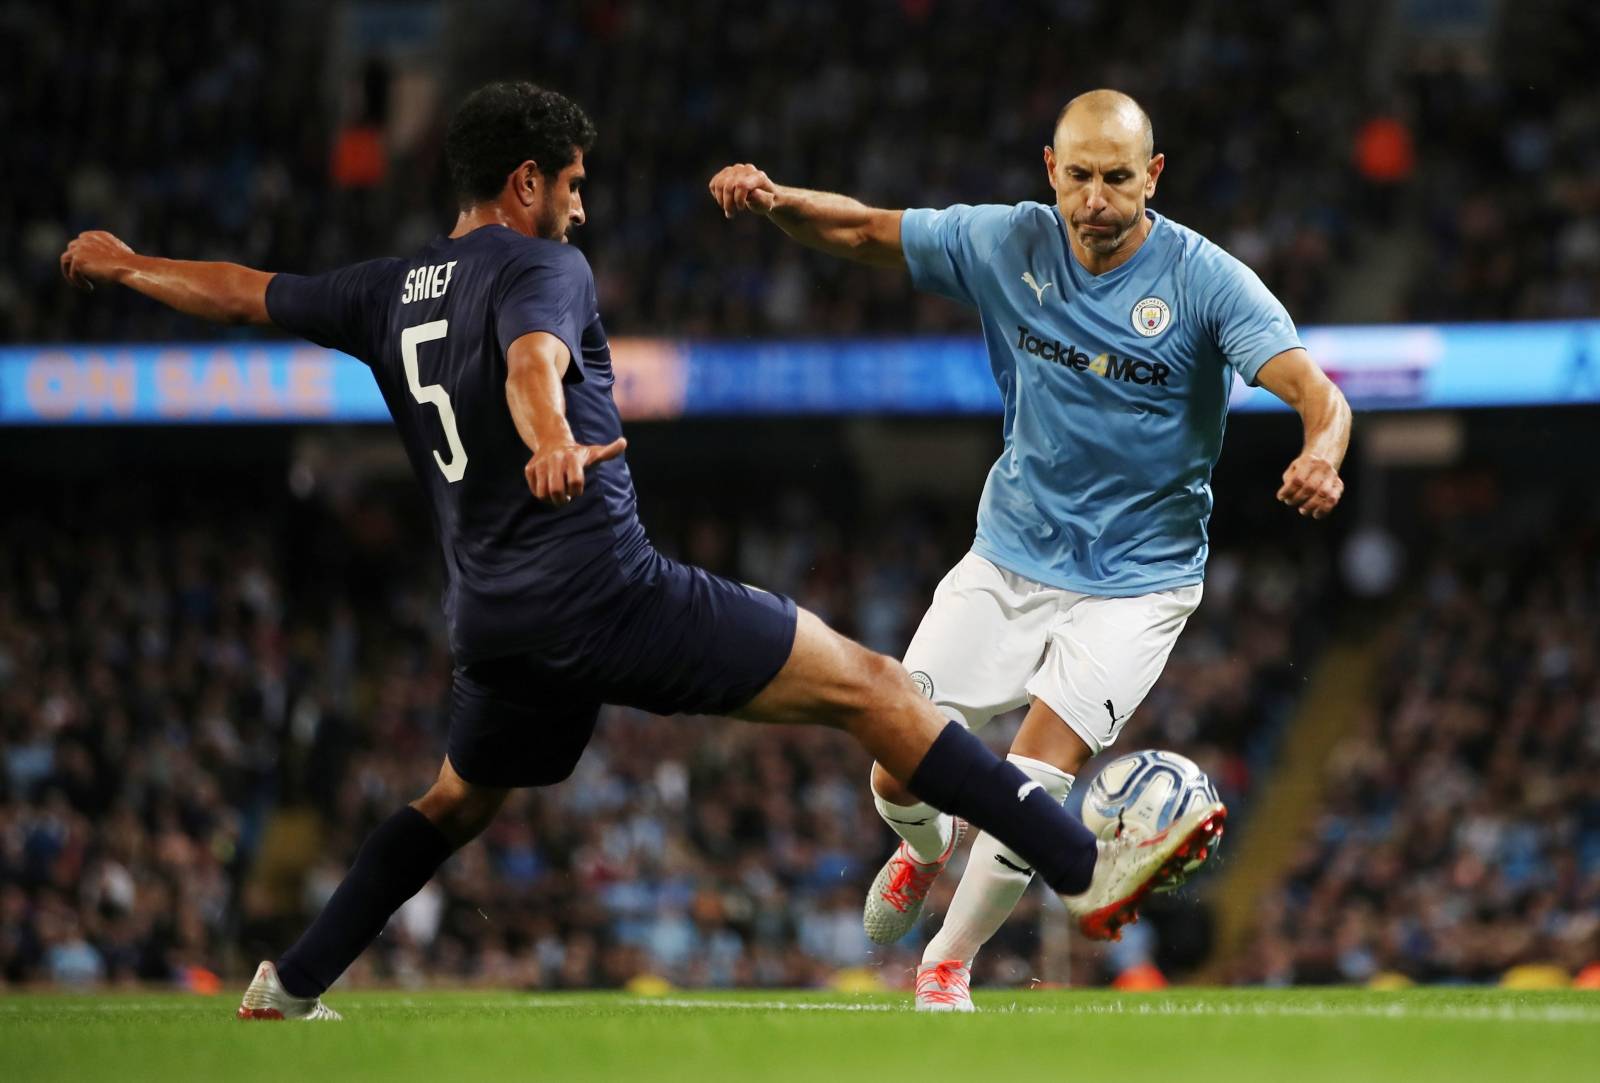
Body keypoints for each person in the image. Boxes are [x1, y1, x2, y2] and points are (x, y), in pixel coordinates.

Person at [60, 82, 1222, 1020]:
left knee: (456, 799)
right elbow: (530, 362)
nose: (580, 208)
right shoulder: (542, 268)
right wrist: (554, 438)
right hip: (604, 591)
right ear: (526, 182)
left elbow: (246, 294)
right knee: (874, 690)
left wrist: (127, 267)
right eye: (571, 185)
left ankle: (292, 980)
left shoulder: (384, 292)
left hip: (491, 623)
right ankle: (1081, 868)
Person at [710, 88, 1348, 1011]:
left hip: (1141, 581)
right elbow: (861, 232)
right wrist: (776, 202)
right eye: (1080, 175)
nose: (1097, 197)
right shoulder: (1005, 240)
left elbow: (1318, 391)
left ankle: (948, 963)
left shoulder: (1207, 282)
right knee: (895, 765)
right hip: (1009, 554)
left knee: (1032, 776)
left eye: (1118, 178)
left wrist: (1322, 455)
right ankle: (922, 850)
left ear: (1152, 176)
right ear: (1051, 171)